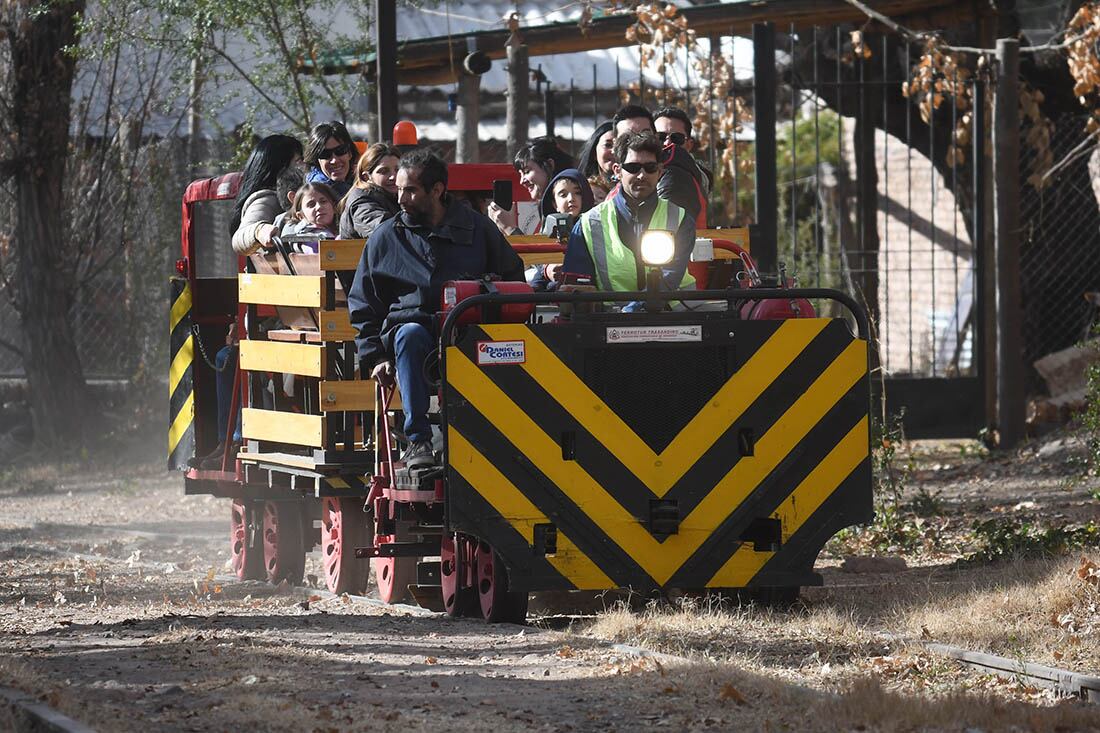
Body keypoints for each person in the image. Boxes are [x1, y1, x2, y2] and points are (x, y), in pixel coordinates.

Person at [348, 149, 525, 469]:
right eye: (399, 189)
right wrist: (374, 356)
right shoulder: (388, 236)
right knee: (410, 335)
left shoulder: (478, 228)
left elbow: (512, 276)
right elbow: (364, 301)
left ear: (437, 190)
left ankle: (500, 438)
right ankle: (418, 442)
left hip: (470, 330)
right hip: (415, 334)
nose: (401, 198)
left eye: (410, 190)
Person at [563, 130, 695, 308]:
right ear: (617, 170)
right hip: (608, 323)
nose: (642, 175)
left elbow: (669, 279)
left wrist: (635, 308)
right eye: (633, 168)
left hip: (677, 319)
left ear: (660, 172)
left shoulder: (681, 219)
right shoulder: (588, 224)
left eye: (650, 168)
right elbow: (578, 288)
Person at [606, 104, 708, 226]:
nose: (638, 141)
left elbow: (667, 230)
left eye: (645, 134)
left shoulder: (672, 174)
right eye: (628, 137)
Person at [230, 134, 304, 255]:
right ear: (279, 167)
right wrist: (259, 230)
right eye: (298, 161)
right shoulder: (268, 199)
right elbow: (239, 238)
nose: (303, 166)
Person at [489, 136, 574, 235]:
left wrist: (509, 228)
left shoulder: (567, 204)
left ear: (550, 165)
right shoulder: (545, 205)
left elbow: (550, 249)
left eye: (527, 171)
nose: (522, 181)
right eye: (520, 174)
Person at [531, 168, 595, 290]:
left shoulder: (595, 227)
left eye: (577, 193)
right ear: (554, 204)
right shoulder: (548, 232)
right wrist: (547, 270)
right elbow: (539, 267)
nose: (571, 198)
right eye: (563, 194)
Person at [653, 106, 712, 221]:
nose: (667, 142)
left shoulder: (675, 174)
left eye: (677, 138)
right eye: (660, 137)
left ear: (689, 145)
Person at [339, 143, 400, 240]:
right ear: (366, 177)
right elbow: (386, 231)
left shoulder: (397, 196)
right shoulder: (361, 202)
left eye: (398, 169)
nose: (393, 176)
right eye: (384, 171)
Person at [304, 121, 356, 198]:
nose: (334, 160)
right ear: (316, 160)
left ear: (350, 153)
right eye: (325, 154)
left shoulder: (358, 179)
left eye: (340, 150)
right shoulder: (319, 193)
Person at [282, 182, 339, 251]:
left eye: (323, 201)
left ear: (335, 207)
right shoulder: (306, 239)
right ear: (301, 216)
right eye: (311, 205)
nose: (319, 207)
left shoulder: (344, 229)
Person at [577, 121, 615, 200]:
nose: (614, 151)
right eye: (608, 145)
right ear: (594, 152)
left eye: (619, 146)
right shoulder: (580, 188)